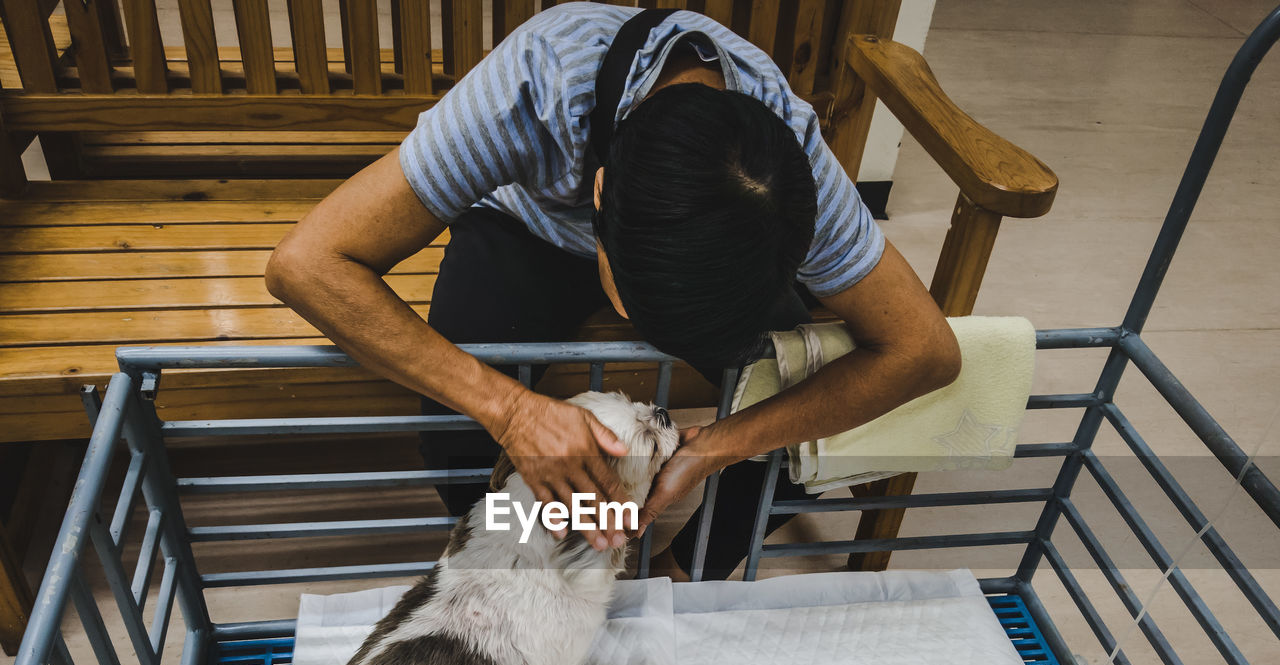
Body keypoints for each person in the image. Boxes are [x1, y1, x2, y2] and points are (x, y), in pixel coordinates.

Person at [265, 2, 960, 580]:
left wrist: (721, 443)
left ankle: (678, 576)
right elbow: (304, 264)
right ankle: (525, 555)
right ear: (595, 195)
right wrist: (509, 410)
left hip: (702, 243)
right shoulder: (534, 83)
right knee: (454, 431)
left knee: (795, 421)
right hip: (525, 227)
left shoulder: (786, 167)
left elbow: (925, 349)